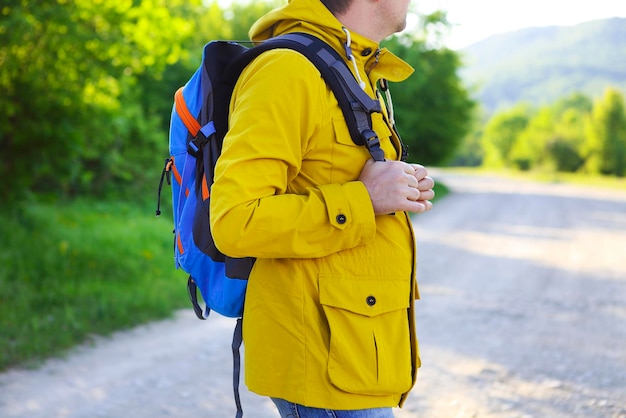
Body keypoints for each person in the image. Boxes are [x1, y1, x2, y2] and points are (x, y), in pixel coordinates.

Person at [210, 0, 434, 416]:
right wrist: (364, 199)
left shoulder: (354, 67)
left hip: (354, 353)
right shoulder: (287, 70)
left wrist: (394, 188)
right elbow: (235, 220)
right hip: (321, 361)